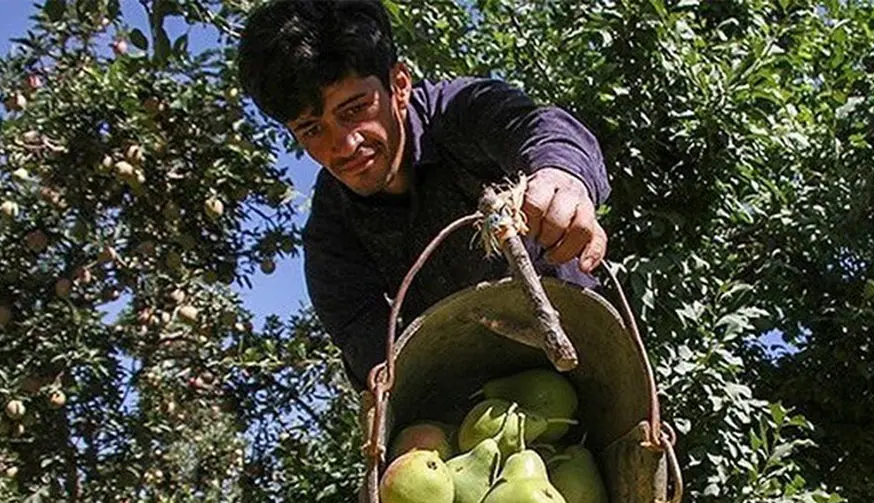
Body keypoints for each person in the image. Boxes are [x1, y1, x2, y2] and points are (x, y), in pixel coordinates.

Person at [236, 0, 611, 392]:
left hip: (589, 364)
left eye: (354, 109)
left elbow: (538, 128)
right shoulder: (332, 237)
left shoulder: (458, 112)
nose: (343, 144)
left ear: (398, 86)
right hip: (466, 408)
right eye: (312, 129)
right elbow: (365, 339)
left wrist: (563, 176)